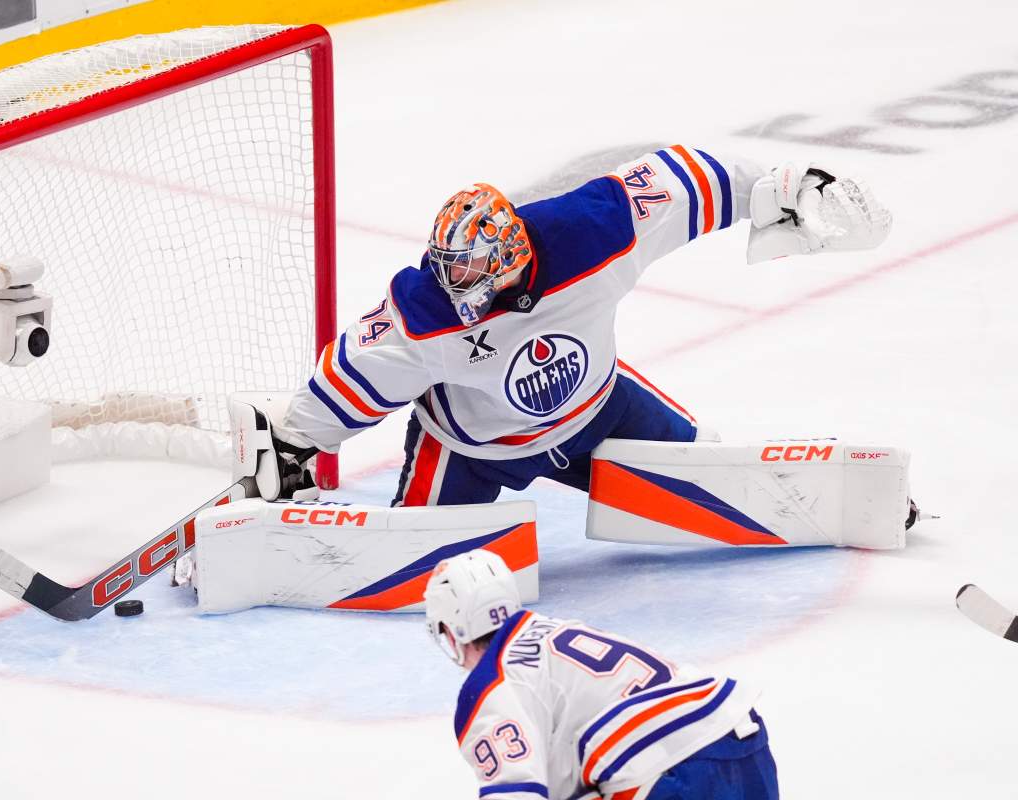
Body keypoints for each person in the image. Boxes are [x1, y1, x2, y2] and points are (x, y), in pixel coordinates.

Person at [265, 148, 891, 504]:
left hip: (600, 409)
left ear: (511, 264)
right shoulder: (424, 307)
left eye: (472, 276)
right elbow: (356, 370)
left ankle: (837, 503)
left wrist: (788, 189)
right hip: (473, 450)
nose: (456, 289)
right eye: (450, 271)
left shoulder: (593, 233)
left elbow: (682, 180)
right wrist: (295, 442)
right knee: (423, 561)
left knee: (713, 478)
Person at [423, 549, 778, 800]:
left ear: (452, 629)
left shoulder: (492, 684)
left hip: (670, 773)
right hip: (743, 739)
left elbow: (515, 793)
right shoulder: (555, 630)